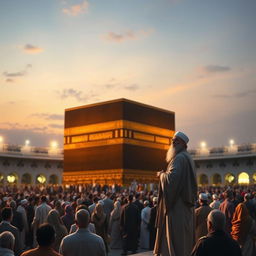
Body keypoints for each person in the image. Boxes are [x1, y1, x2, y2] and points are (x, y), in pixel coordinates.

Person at [154, 131, 197, 256]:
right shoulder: (188, 157)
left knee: (177, 239)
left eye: (176, 140)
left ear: (183, 144)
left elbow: (171, 181)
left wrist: (161, 175)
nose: (173, 142)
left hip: (177, 205)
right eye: (173, 140)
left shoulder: (179, 158)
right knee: (185, 238)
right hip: (185, 206)